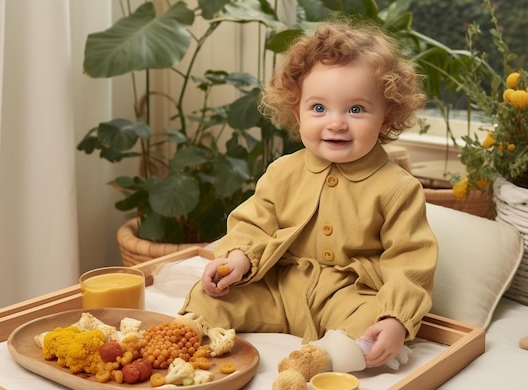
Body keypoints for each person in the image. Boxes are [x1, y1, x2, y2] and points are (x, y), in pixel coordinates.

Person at [179, 20, 438, 369]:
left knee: (373, 324)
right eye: (319, 108)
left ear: (388, 116)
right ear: (295, 110)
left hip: (348, 296)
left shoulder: (398, 188)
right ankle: (177, 340)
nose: (335, 123)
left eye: (356, 109)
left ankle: (322, 359)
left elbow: (409, 263)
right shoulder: (283, 171)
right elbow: (255, 222)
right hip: (279, 285)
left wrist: (395, 318)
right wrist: (239, 259)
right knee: (206, 297)